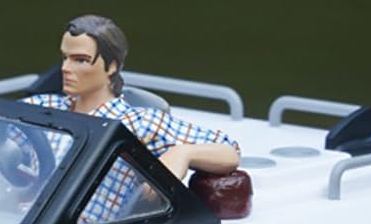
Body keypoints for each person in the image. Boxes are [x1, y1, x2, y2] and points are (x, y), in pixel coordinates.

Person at [23, 14, 240, 180]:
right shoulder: (41, 106)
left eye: (80, 60)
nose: (65, 68)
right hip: (23, 219)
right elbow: (1, 131)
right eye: (65, 57)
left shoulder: (138, 123)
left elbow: (229, 151)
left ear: (111, 67)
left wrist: (183, 153)